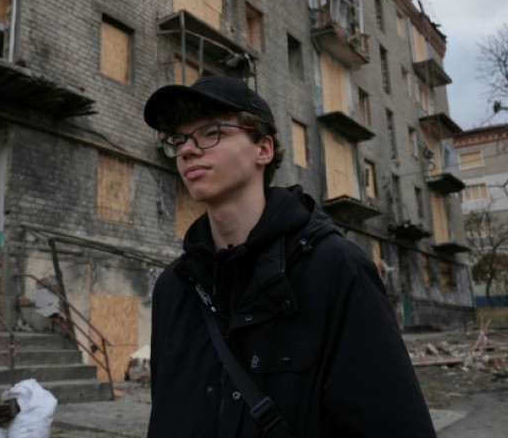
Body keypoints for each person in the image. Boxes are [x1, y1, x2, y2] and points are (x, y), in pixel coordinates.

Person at [143, 75, 437, 438]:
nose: (188, 149)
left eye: (210, 132)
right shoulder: (174, 287)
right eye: (179, 139)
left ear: (262, 149)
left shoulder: (335, 269)